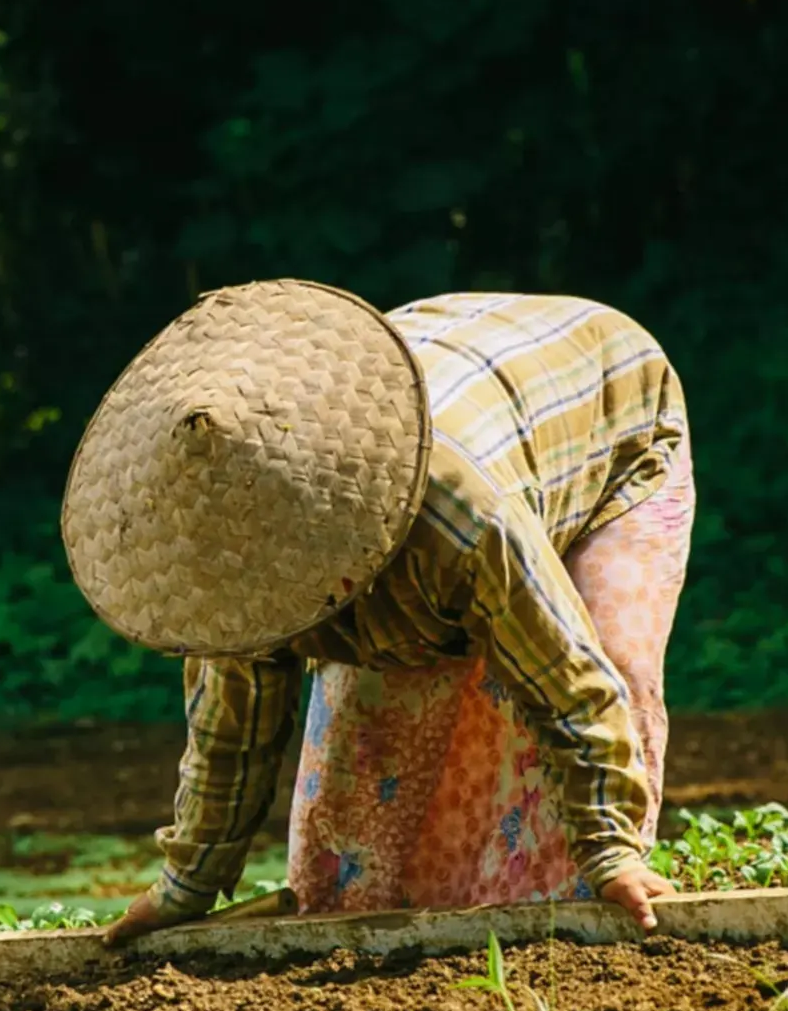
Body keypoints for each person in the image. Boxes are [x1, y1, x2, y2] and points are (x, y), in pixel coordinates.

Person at [56, 281, 695, 945]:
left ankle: (588, 888)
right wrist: (186, 885)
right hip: (455, 364)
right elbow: (233, 729)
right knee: (360, 827)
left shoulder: (460, 519)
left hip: (608, 409)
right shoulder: (233, 554)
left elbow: (571, 681)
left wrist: (609, 848)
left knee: (613, 663)